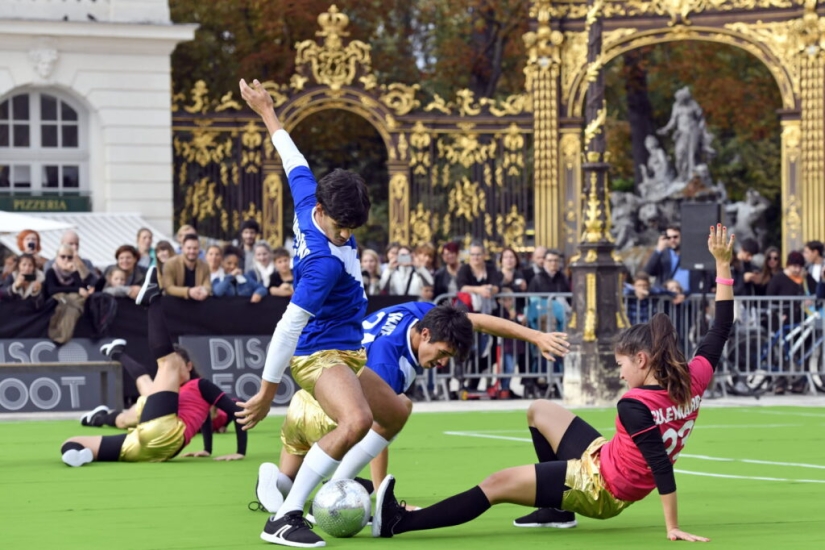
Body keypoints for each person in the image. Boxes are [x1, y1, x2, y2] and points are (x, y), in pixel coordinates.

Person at [372, 224, 736, 543]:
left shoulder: (635, 405)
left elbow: (661, 467)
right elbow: (720, 328)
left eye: (622, 365)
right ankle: (555, 510)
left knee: (496, 484)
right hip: (604, 457)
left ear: (642, 360)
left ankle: (401, 522)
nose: (620, 374)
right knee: (539, 410)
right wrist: (722, 264)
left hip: (601, 488)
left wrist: (671, 526)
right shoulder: (693, 378)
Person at [237, 77, 410, 548]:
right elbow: (288, 325)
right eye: (340, 227)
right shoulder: (321, 265)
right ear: (324, 212)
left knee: (396, 412)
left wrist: (267, 111)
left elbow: (292, 158)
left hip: (349, 348)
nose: (344, 235)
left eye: (352, 229)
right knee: (355, 423)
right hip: (319, 353)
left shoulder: (309, 198)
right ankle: (285, 518)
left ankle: (320, 490)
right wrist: (267, 392)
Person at [253, 302, 570, 513]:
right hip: (329, 414)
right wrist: (380, 495)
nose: (442, 363)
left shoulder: (419, 315)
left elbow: (477, 322)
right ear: (426, 335)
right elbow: (378, 430)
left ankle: (276, 482)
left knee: (289, 480)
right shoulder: (388, 364)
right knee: (398, 407)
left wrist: (535, 336)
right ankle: (337, 490)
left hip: (304, 399)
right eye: (443, 354)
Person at [60, 284, 246, 465]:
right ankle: (82, 453)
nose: (171, 372)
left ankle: (153, 300)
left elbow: (236, 410)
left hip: (166, 433)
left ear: (189, 366)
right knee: (70, 442)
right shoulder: (172, 396)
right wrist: (207, 450)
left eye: (180, 365)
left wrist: (240, 452)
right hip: (139, 443)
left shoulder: (200, 385)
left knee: (165, 364)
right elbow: (203, 418)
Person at [161, 234, 211, 301]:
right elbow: (168, 287)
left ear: (199, 249)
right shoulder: (170, 264)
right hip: (174, 302)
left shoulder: (204, 266)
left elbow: (207, 285)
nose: (192, 251)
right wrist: (188, 292)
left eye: (195, 248)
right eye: (189, 248)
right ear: (183, 248)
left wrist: (205, 291)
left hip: (197, 302)